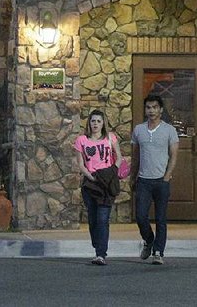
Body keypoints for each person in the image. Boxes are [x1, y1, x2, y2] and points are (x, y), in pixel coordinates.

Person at [131, 93, 179, 265]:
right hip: (143, 180)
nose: (151, 111)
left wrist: (167, 176)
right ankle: (149, 240)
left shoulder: (169, 130)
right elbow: (136, 156)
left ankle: (158, 252)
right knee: (141, 216)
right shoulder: (139, 130)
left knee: (160, 218)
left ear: (160, 110)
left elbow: (173, 155)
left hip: (161, 180)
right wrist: (132, 176)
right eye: (148, 107)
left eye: (154, 107)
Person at [74, 109, 122, 266]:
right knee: (93, 218)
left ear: (103, 123)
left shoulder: (110, 138)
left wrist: (112, 171)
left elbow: (119, 157)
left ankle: (101, 253)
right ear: (89, 123)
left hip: (106, 182)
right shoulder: (82, 140)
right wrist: (90, 176)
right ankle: (97, 244)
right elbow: (81, 164)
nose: (95, 124)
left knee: (103, 219)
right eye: (93, 121)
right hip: (90, 182)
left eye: (98, 121)